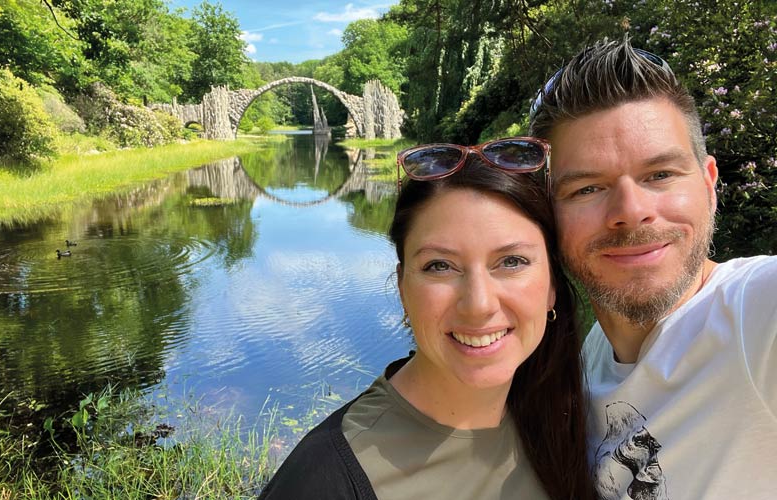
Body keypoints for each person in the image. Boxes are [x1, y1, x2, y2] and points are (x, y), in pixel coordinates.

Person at [258, 139, 594, 499]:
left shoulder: (568, 416)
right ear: (403, 289)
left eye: (511, 261)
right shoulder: (329, 480)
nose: (478, 304)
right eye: (440, 266)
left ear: (552, 286)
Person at [529, 38, 777, 500]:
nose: (631, 210)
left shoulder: (756, 314)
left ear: (709, 185)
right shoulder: (588, 357)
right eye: (586, 188)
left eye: (660, 175)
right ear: (547, 214)